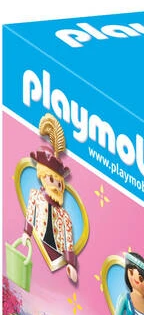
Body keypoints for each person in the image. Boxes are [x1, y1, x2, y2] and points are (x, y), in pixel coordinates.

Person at [17, 114, 79, 283]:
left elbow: (68, 240)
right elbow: (30, 215)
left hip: (56, 256)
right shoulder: (36, 196)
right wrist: (26, 233)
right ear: (43, 177)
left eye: (59, 184)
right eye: (52, 180)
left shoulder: (64, 216)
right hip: (39, 248)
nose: (56, 186)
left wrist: (71, 264)